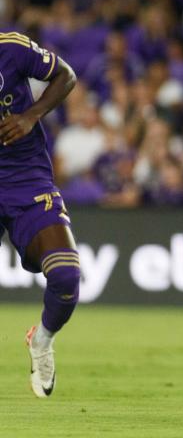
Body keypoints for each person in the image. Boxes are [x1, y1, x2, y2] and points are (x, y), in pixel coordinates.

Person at [0, 31, 79, 398]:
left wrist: (31, 116)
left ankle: (42, 341)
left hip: (25, 176)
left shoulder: (11, 48)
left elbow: (66, 75)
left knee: (65, 276)